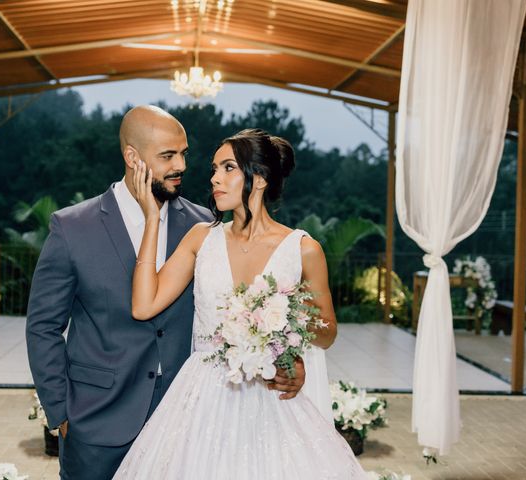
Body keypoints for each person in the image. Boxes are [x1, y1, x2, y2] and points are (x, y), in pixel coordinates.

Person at [25, 106, 305, 480]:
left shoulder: (206, 226)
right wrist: (59, 411)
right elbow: (43, 326)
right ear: (132, 157)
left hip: (188, 421)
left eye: (184, 154)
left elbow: (244, 312)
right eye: (168, 156)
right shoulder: (72, 227)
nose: (182, 166)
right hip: (97, 420)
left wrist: (285, 361)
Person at [115, 128, 367, 479]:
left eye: (228, 168)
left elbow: (327, 333)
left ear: (259, 178)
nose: (215, 178)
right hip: (200, 402)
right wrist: (153, 218)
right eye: (214, 169)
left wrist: (281, 327)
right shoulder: (201, 238)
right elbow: (144, 305)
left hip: (271, 399)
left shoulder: (303, 249)